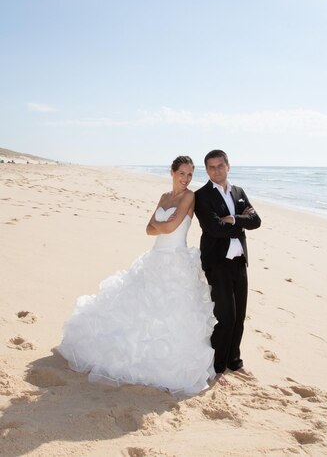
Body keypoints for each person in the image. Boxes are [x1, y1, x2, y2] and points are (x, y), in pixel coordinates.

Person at [58, 156, 216, 396]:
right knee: (139, 308)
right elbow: (148, 229)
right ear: (172, 172)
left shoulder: (189, 197)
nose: (185, 179)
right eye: (182, 173)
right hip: (155, 259)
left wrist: (158, 224)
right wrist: (158, 224)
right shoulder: (165, 197)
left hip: (176, 261)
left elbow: (168, 228)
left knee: (170, 313)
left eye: (190, 175)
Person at [194, 150, 261, 378]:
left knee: (239, 316)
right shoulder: (201, 196)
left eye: (220, 166)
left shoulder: (239, 192)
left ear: (228, 166)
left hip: (239, 262)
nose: (216, 170)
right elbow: (214, 229)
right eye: (211, 167)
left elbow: (256, 221)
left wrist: (233, 219)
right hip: (216, 263)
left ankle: (234, 361)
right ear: (207, 170)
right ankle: (217, 367)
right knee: (225, 318)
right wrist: (241, 222)